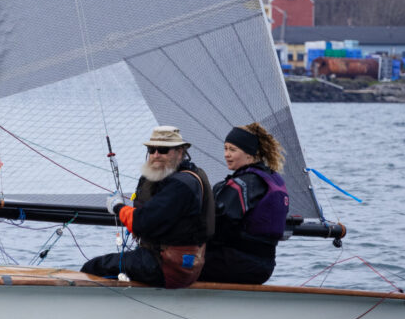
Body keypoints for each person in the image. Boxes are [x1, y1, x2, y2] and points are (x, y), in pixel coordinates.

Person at [81, 126, 214, 288]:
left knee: (93, 267)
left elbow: (142, 222)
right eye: (152, 150)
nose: (156, 155)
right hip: (173, 261)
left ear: (180, 152)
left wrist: (117, 207)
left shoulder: (181, 185)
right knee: (116, 263)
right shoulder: (178, 178)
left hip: (168, 266)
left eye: (163, 150)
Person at [198, 123, 289, 285]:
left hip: (238, 263)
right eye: (225, 149)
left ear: (250, 154)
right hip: (264, 266)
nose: (226, 154)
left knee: (174, 264)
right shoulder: (272, 178)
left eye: (233, 150)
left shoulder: (244, 184)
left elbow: (218, 226)